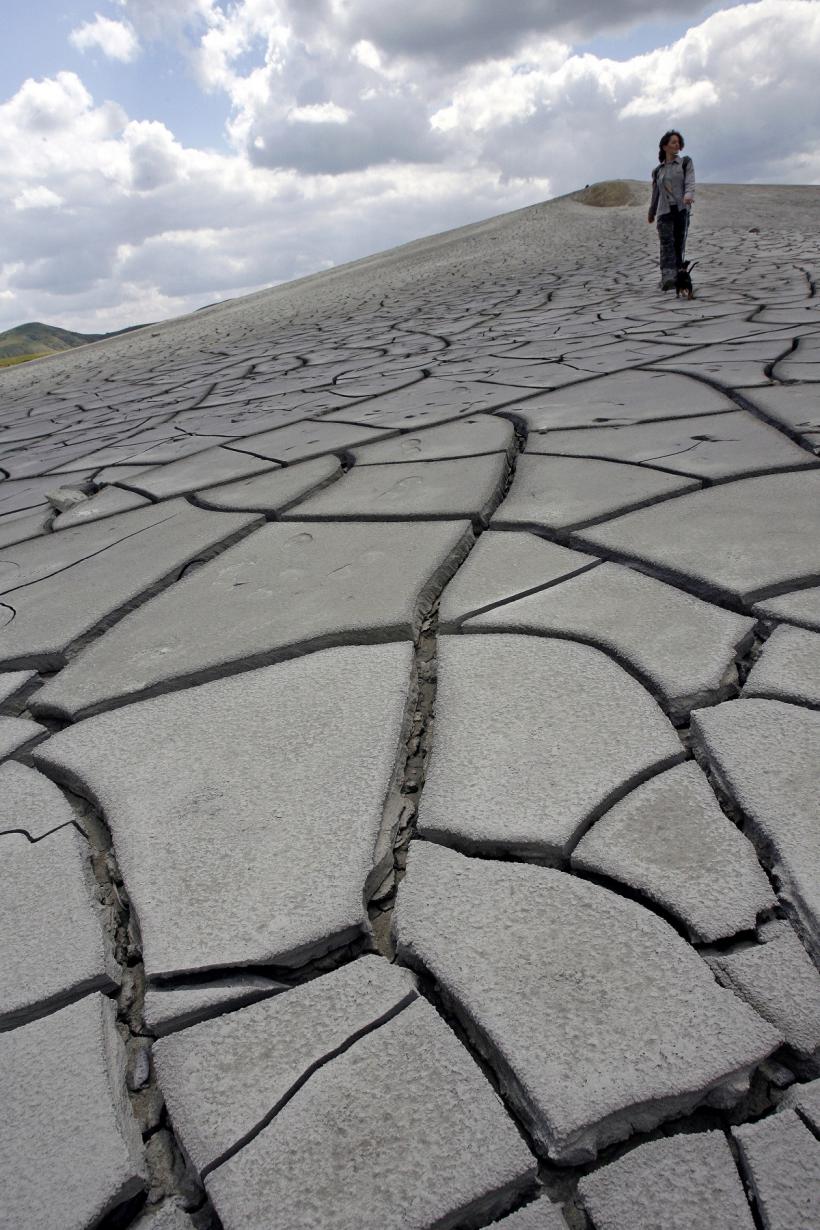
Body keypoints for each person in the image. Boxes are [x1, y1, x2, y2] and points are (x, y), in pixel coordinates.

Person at [648, 130, 695, 290]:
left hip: (681, 209)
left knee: (678, 244)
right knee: (666, 244)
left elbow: (690, 181)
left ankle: (678, 276)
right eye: (673, 142)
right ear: (664, 146)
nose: (677, 145)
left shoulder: (685, 163)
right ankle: (667, 277)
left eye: (678, 142)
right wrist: (651, 211)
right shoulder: (658, 171)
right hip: (664, 212)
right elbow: (656, 192)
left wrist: (688, 195)